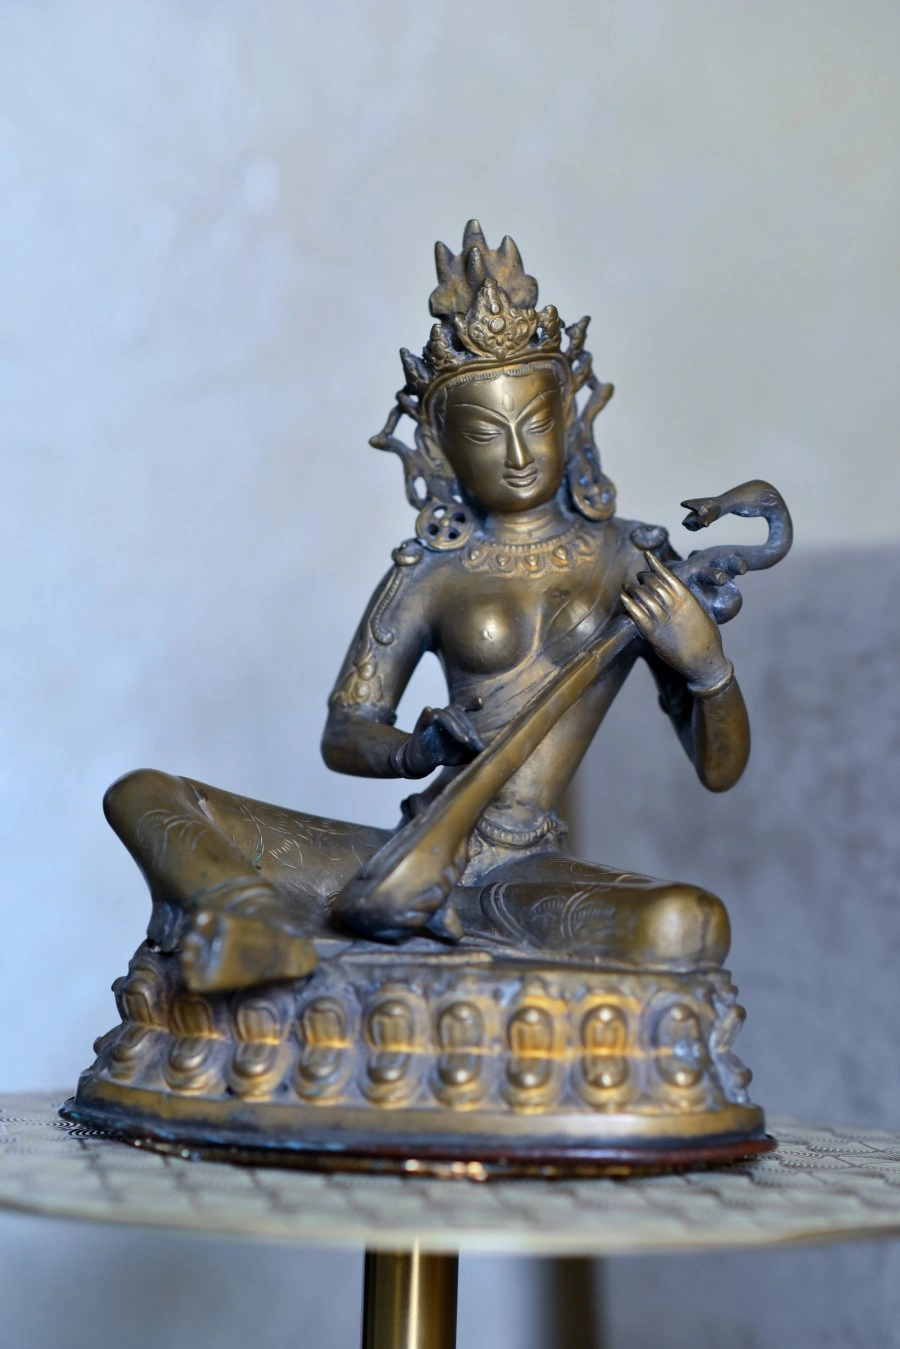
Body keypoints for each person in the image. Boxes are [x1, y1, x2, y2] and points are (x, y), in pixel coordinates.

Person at [105, 222, 747, 994]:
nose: (519, 454)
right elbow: (347, 729)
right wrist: (415, 748)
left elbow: (721, 770)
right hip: (407, 849)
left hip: (520, 870)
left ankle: (284, 927)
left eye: (537, 424)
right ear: (443, 447)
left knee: (686, 921)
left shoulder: (629, 560)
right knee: (145, 794)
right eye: (486, 433)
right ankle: (250, 919)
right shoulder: (430, 575)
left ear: (571, 422)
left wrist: (707, 666)